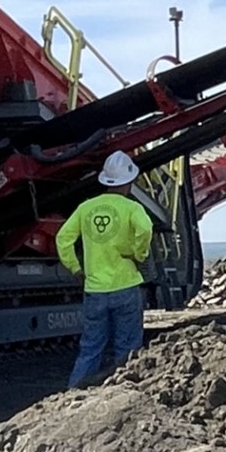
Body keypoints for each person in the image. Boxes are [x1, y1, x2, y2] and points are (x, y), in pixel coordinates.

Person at [57, 152, 153, 388]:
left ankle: (72, 395)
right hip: (126, 286)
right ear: (129, 182)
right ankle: (122, 394)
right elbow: (146, 229)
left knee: (90, 348)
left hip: (95, 289)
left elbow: (63, 239)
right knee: (127, 349)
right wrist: (138, 254)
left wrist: (76, 269)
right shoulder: (132, 208)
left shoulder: (86, 208)